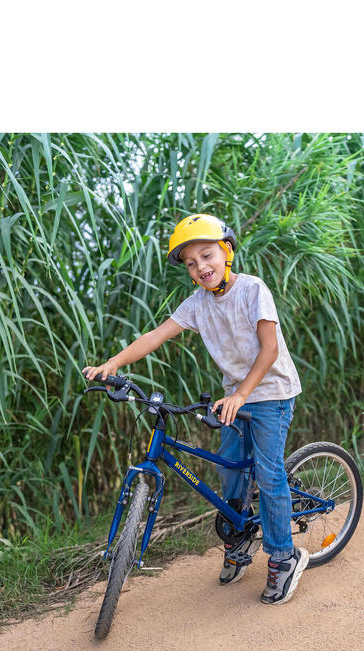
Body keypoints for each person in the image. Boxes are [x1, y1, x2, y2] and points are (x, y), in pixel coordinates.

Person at [83, 213, 307, 604]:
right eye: (191, 262)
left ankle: (283, 557)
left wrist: (240, 395)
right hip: (235, 398)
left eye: (207, 256)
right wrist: (114, 364)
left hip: (270, 392)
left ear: (226, 253)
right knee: (228, 467)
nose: (201, 267)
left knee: (269, 474)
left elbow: (269, 350)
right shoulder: (198, 304)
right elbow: (156, 335)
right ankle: (239, 538)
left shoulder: (253, 290)